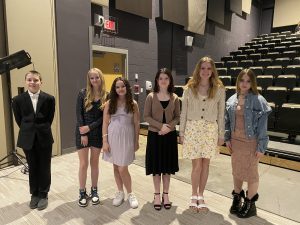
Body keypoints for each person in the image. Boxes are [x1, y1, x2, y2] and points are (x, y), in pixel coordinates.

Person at [179, 56, 225, 212]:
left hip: (210, 130)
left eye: (209, 68)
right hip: (193, 129)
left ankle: (201, 195)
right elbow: (183, 112)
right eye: (203, 68)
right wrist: (181, 132)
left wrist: (221, 134)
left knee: (206, 164)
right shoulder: (189, 88)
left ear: (213, 71)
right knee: (196, 165)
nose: (206, 71)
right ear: (198, 69)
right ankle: (193, 194)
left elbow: (221, 113)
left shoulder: (219, 89)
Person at [225, 69, 271, 218]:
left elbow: (263, 126)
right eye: (242, 80)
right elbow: (227, 122)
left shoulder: (259, 100)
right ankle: (237, 198)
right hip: (235, 142)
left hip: (251, 142)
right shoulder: (231, 99)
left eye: (248, 81)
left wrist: (262, 146)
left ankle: (250, 204)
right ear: (238, 81)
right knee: (236, 171)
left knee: (251, 174)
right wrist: (227, 139)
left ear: (252, 83)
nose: (244, 84)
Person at [12, 70, 55, 210]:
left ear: (41, 82)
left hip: (44, 137)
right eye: (30, 80)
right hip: (27, 138)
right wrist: (29, 130)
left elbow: (49, 119)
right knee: (33, 166)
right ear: (26, 82)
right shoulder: (18, 100)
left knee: (44, 166)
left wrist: (40, 129)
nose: (33, 82)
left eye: (36, 80)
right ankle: (34, 194)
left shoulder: (49, 99)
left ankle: (43, 194)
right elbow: (19, 120)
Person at [144, 68, 180, 211]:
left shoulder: (175, 97)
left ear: (170, 80)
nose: (163, 81)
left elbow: (177, 116)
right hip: (155, 136)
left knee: (167, 168)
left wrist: (168, 127)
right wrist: (160, 127)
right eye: (161, 78)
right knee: (156, 168)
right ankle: (157, 195)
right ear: (157, 81)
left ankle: (166, 195)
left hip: (169, 137)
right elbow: (146, 116)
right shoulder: (151, 97)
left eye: (166, 78)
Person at [102, 77, 140, 209]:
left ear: (126, 87)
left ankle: (130, 193)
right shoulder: (109, 103)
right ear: (114, 89)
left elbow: (136, 123)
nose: (120, 89)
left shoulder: (133, 103)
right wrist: (105, 141)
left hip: (127, 137)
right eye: (117, 87)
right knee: (116, 166)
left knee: (123, 167)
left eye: (122, 86)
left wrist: (137, 141)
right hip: (113, 137)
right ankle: (120, 192)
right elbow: (105, 123)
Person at [75, 68, 107, 207]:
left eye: (97, 77)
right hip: (82, 132)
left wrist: (90, 128)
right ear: (89, 80)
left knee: (95, 163)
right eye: (92, 78)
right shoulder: (82, 93)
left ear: (101, 78)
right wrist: (83, 132)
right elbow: (79, 114)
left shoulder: (107, 95)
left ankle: (94, 191)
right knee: (83, 164)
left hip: (97, 133)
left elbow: (104, 118)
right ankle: (82, 192)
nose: (94, 80)